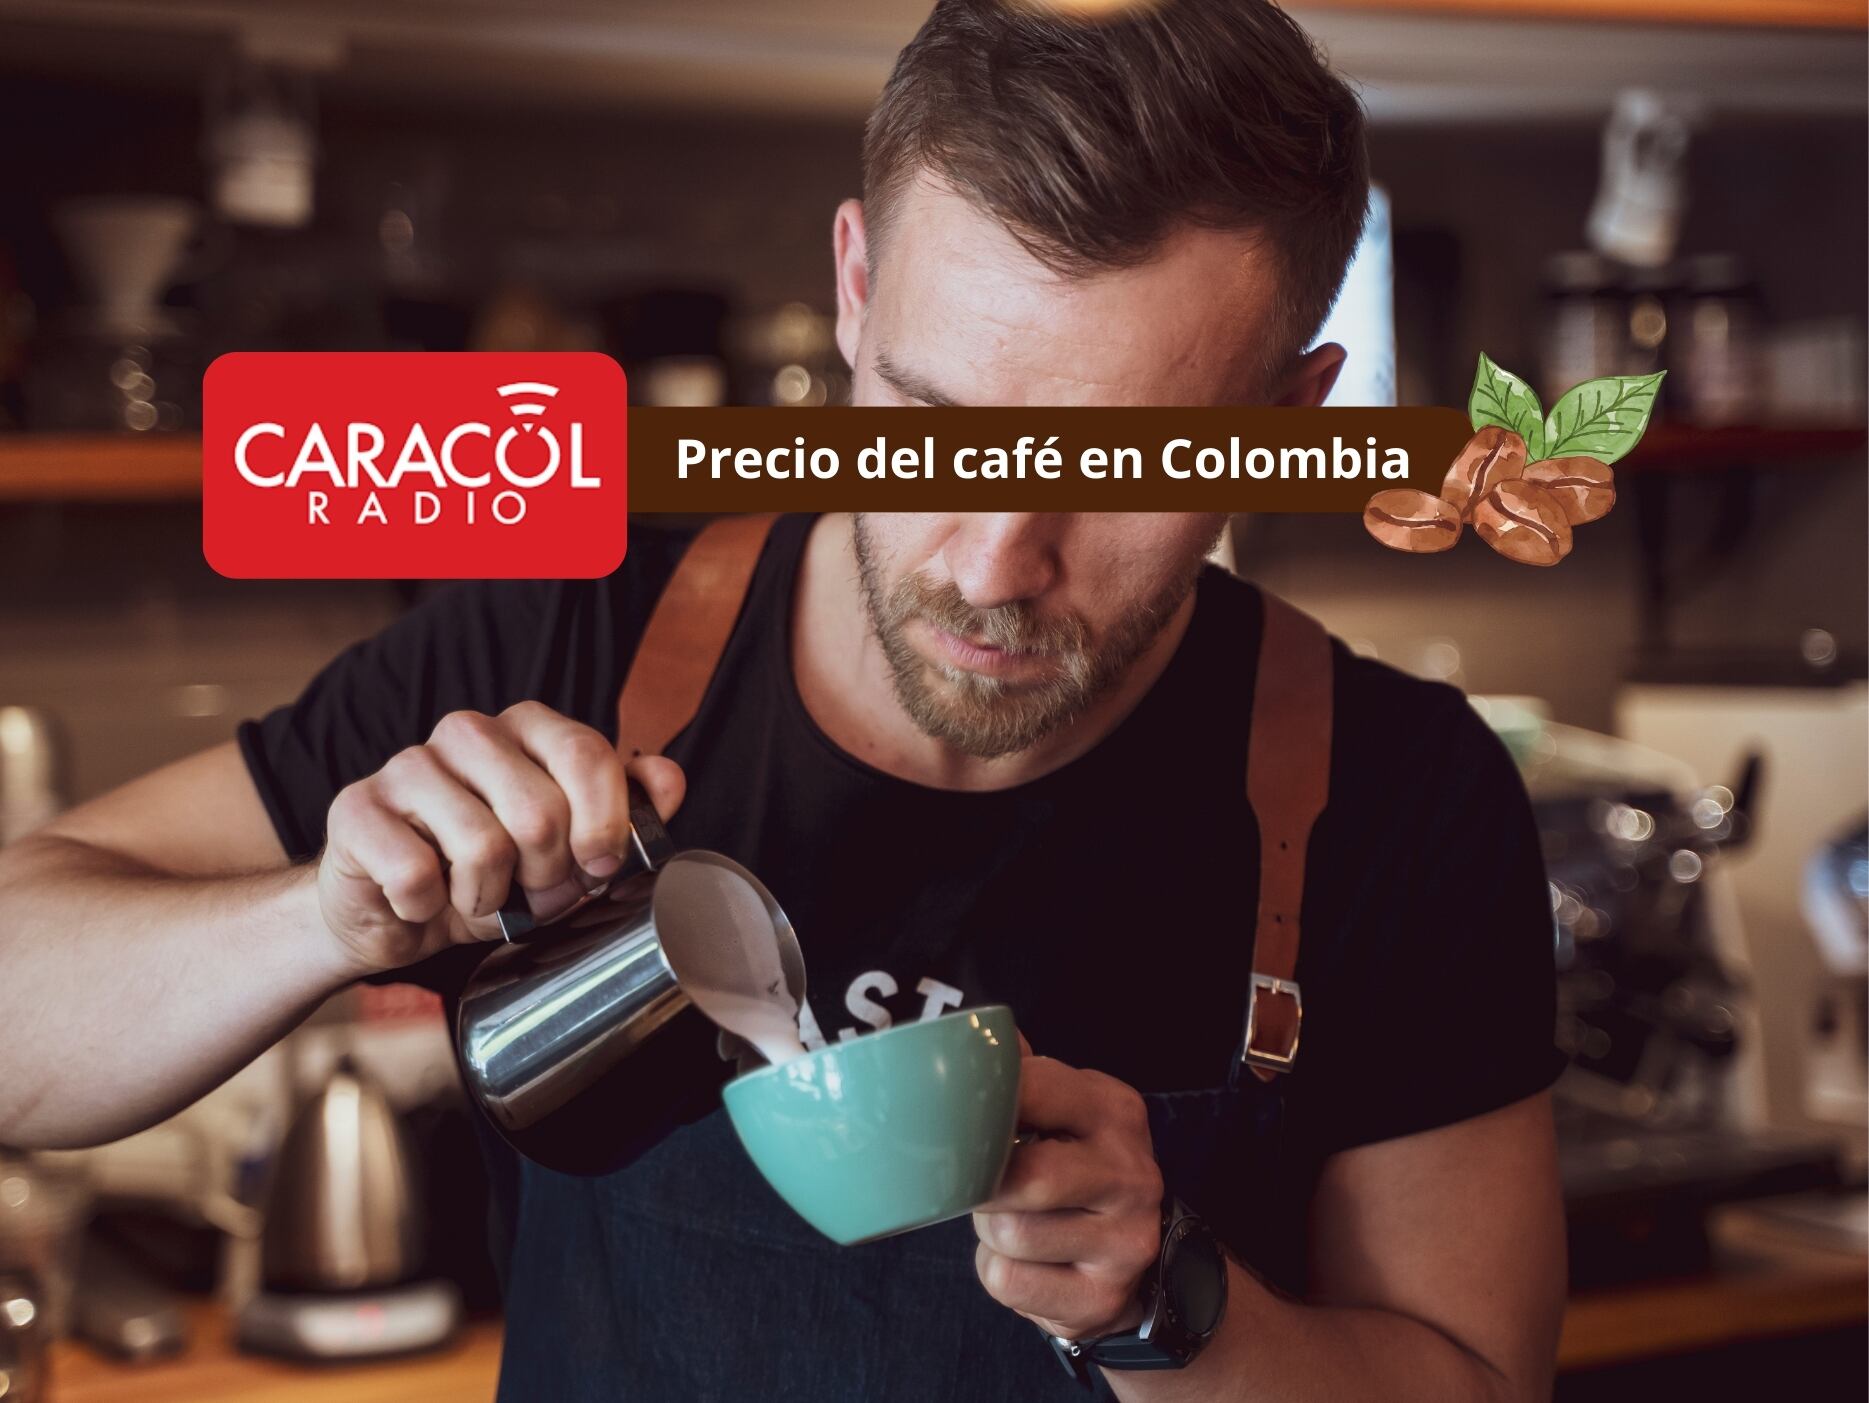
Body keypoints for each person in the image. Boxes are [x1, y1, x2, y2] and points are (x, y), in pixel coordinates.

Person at [0, 1, 1566, 1399]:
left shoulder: (1395, 794)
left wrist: (1174, 1315)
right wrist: (321, 920)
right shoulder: (572, 636)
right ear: (851, 290)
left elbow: (1474, 1378)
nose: (992, 561)